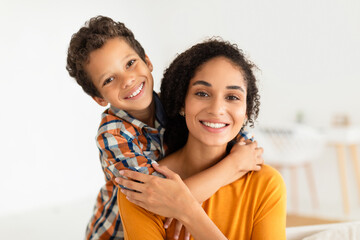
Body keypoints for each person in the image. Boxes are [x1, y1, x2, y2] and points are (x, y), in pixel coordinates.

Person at [66, 16, 264, 240]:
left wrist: (242, 149)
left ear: (148, 62)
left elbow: (231, 135)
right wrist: (233, 165)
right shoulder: (113, 135)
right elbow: (157, 200)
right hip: (119, 233)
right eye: (109, 79)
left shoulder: (177, 106)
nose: (128, 80)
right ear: (99, 98)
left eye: (130, 63)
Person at [117, 39, 287, 240]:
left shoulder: (266, 184)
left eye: (232, 97)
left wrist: (188, 211)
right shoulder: (143, 190)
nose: (216, 109)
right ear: (182, 103)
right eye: (202, 93)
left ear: (246, 112)